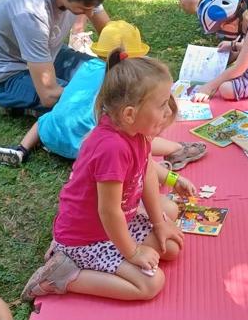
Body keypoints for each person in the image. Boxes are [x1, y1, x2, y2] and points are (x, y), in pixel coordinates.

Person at [38, 53, 186, 301]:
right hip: (86, 239)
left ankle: (124, 250)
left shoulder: (137, 132)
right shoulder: (112, 148)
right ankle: (60, 275)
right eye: (161, 104)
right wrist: (133, 253)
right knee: (151, 284)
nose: (168, 110)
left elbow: (147, 173)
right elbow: (109, 212)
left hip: (116, 224)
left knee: (170, 246)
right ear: (129, 113)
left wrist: (159, 224)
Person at [0, 20, 206, 174]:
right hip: (84, 147)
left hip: (51, 136)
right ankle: (176, 149)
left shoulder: (88, 65)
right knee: (134, 134)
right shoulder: (127, 85)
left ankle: (22, 149)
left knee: (46, 119)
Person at [0, 0, 108, 113]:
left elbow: (108, 33)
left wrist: (121, 67)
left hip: (48, 53)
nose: (90, 14)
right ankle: (14, 101)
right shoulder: (31, 12)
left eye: (92, 7)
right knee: (86, 107)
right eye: (83, 9)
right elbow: (49, 95)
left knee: (107, 75)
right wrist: (103, 99)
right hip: (10, 75)